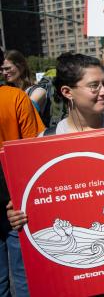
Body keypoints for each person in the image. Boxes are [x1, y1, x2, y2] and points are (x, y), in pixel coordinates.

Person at [6, 53, 104, 296]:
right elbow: (31, 203)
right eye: (93, 86)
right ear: (67, 92)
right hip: (69, 276)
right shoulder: (45, 141)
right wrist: (18, 214)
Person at [0, 49, 45, 297]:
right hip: (14, 196)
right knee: (24, 273)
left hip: (11, 197)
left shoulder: (17, 96)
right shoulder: (15, 97)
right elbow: (32, 148)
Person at [2, 50, 50, 123]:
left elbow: (24, 114)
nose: (4, 73)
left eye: (7, 68)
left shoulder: (38, 91)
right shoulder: (6, 92)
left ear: (22, 66)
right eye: (1, 69)